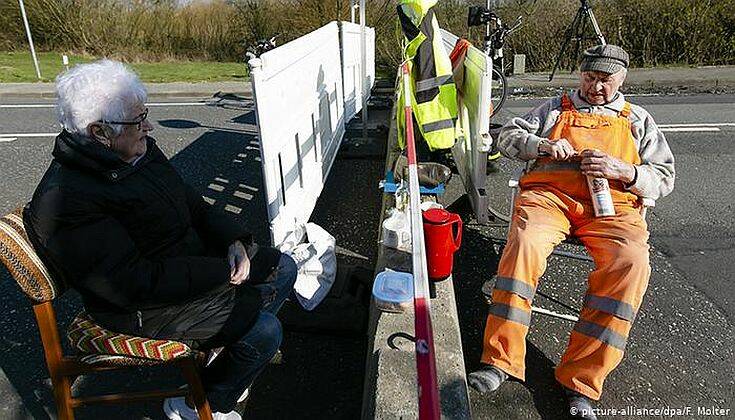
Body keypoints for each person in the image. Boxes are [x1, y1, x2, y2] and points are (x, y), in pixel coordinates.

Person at [23, 59, 297, 420]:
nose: (148, 126)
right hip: (140, 307)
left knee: (283, 267)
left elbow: (190, 202)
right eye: (138, 120)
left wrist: (233, 241)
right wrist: (221, 273)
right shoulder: (66, 201)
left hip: (183, 268)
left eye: (145, 115)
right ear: (99, 133)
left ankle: (227, 362)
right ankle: (198, 404)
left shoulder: (134, 152)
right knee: (263, 332)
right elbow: (133, 285)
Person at [468, 45, 675, 419]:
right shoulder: (552, 109)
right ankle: (500, 359)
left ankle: (581, 382)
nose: (596, 87)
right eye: (590, 78)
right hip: (550, 201)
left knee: (631, 264)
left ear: (622, 79)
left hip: (612, 210)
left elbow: (664, 177)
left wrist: (626, 172)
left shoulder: (637, 119)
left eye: (605, 80)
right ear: (581, 75)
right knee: (524, 244)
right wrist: (542, 144)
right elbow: (507, 137)